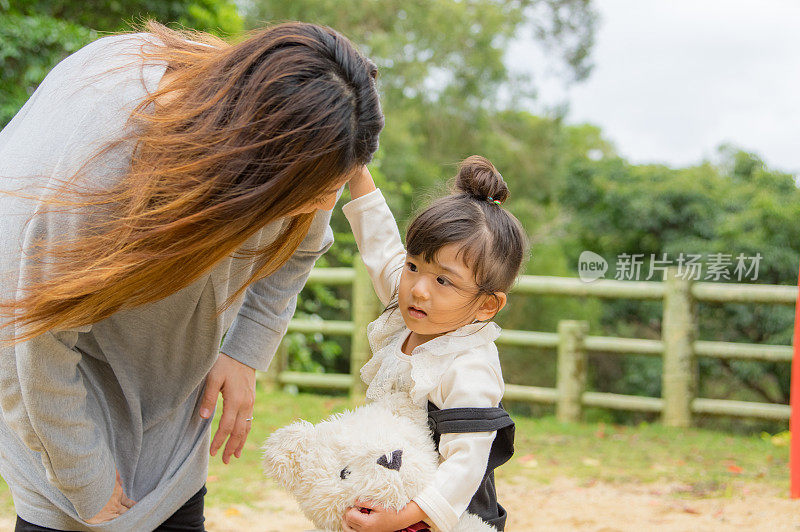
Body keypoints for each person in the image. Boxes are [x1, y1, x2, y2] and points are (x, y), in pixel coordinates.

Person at [0, 19, 382, 531]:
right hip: (43, 360)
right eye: (313, 189)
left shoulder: (311, 146)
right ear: (258, 159)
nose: (321, 204)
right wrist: (83, 479)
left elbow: (300, 249)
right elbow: (35, 344)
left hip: (171, 385)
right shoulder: (105, 171)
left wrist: (245, 352)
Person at [340, 157, 527, 532]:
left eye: (444, 281)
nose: (418, 289)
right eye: (413, 266)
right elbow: (380, 246)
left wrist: (404, 517)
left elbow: (466, 463)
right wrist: (357, 172)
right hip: (391, 493)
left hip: (444, 516)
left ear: (487, 304)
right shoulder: (409, 307)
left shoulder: (468, 365)